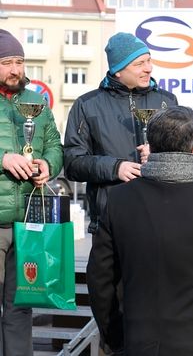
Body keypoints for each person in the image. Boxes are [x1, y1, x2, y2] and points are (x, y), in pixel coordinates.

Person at [87, 106, 193, 356]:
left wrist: (116, 336)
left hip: (140, 341)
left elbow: (100, 280)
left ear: (151, 147)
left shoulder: (119, 200)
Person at [64, 32, 177, 234]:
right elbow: (73, 163)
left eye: (149, 60)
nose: (148, 68)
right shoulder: (86, 105)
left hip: (161, 219)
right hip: (109, 222)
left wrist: (160, 156)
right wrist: (115, 168)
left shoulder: (167, 101)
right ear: (117, 70)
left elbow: (186, 156)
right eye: (139, 63)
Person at [0, 29, 63, 355]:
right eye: (7, 62)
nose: (16, 69)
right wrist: (3, 159)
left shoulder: (36, 102)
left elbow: (55, 145)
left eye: (20, 61)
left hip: (29, 220)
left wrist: (48, 164)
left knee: (21, 305)